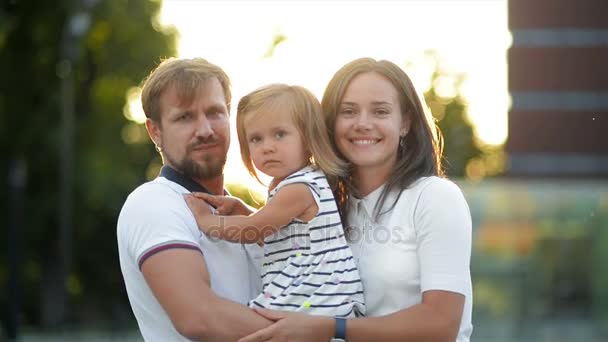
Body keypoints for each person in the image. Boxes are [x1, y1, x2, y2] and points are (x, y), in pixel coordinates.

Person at [239, 58, 473, 341]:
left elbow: (441, 324)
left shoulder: (434, 197)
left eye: (380, 112)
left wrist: (331, 328)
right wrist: (248, 215)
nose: (363, 124)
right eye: (348, 112)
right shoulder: (331, 207)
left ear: (405, 123)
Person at [116, 57, 271, 341]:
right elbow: (200, 316)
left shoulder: (246, 215)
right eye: (184, 117)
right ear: (155, 131)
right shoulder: (153, 202)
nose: (205, 130)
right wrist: (316, 332)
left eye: (214, 112)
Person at [184, 84, 366, 318]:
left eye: (280, 134)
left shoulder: (300, 187)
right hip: (315, 300)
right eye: (256, 139)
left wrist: (204, 219)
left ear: (308, 137)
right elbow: (283, 234)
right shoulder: (293, 183)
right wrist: (245, 210)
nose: (267, 147)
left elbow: (253, 230)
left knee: (230, 321)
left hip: (321, 302)